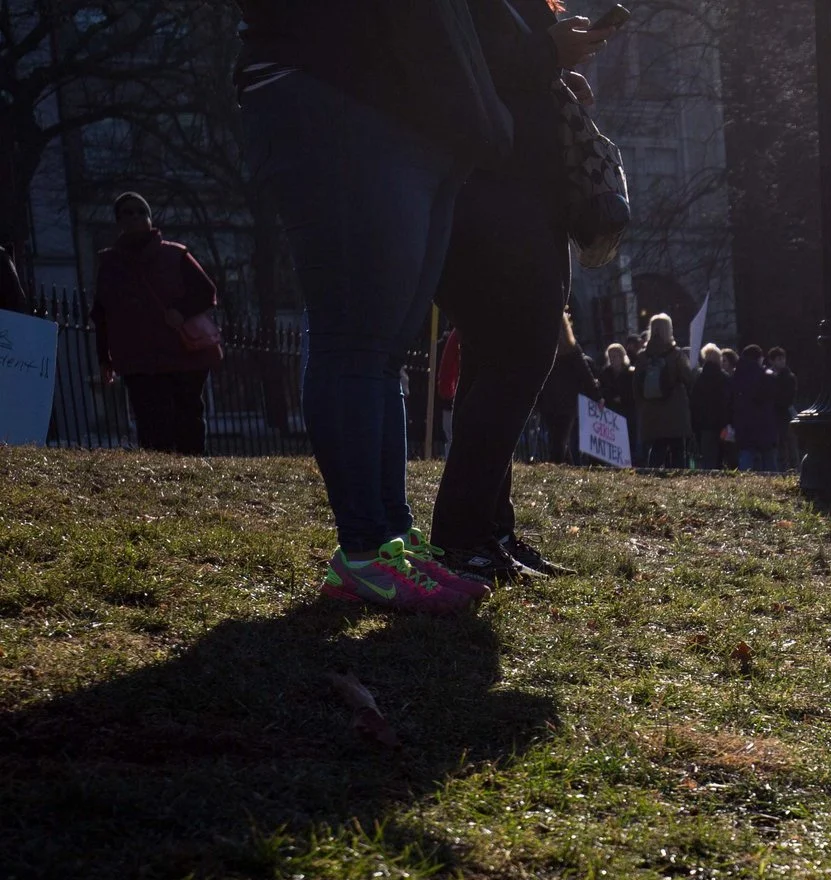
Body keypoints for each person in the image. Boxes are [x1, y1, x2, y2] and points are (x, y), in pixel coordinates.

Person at [233, 0, 572, 611]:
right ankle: (366, 550)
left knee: (383, 349)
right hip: (343, 91)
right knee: (355, 340)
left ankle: (391, 541)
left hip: (419, 115)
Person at [427, 1, 611, 583]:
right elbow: (460, 71)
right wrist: (546, 56)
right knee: (519, 356)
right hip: (498, 196)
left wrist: (554, 78)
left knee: (498, 359)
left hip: (520, 195)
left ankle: (487, 529)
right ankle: (463, 532)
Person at [92, 192, 224, 455]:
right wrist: (104, 357)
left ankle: (193, 470)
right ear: (119, 221)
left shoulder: (175, 255)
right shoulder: (110, 263)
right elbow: (101, 312)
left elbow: (206, 292)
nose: (136, 217)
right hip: (137, 357)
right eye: (128, 213)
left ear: (151, 219)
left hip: (182, 353)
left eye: (141, 211)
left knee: (187, 415)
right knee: (151, 421)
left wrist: (181, 312)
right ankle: (159, 475)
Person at [634, 312, 694, 467]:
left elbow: (636, 386)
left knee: (657, 449)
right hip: (675, 411)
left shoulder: (642, 357)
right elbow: (689, 379)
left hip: (651, 412)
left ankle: (651, 479)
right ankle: (680, 484)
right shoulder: (676, 355)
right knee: (678, 450)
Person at [535, 314, 597, 464]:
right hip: (567, 400)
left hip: (549, 399)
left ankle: (558, 466)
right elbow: (585, 373)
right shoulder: (571, 348)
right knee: (560, 438)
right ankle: (565, 466)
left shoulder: (544, 348)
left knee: (556, 438)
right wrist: (596, 395)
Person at [727, 344, 779, 470]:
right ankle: (774, 486)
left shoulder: (736, 376)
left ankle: (744, 485)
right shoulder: (766, 376)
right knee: (769, 460)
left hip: (743, 424)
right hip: (764, 423)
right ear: (759, 358)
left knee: (746, 456)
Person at [690, 342, 735, 469]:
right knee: (721, 456)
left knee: (707, 457)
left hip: (704, 425)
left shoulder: (698, 378)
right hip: (722, 425)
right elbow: (729, 401)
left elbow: (693, 402)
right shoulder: (724, 378)